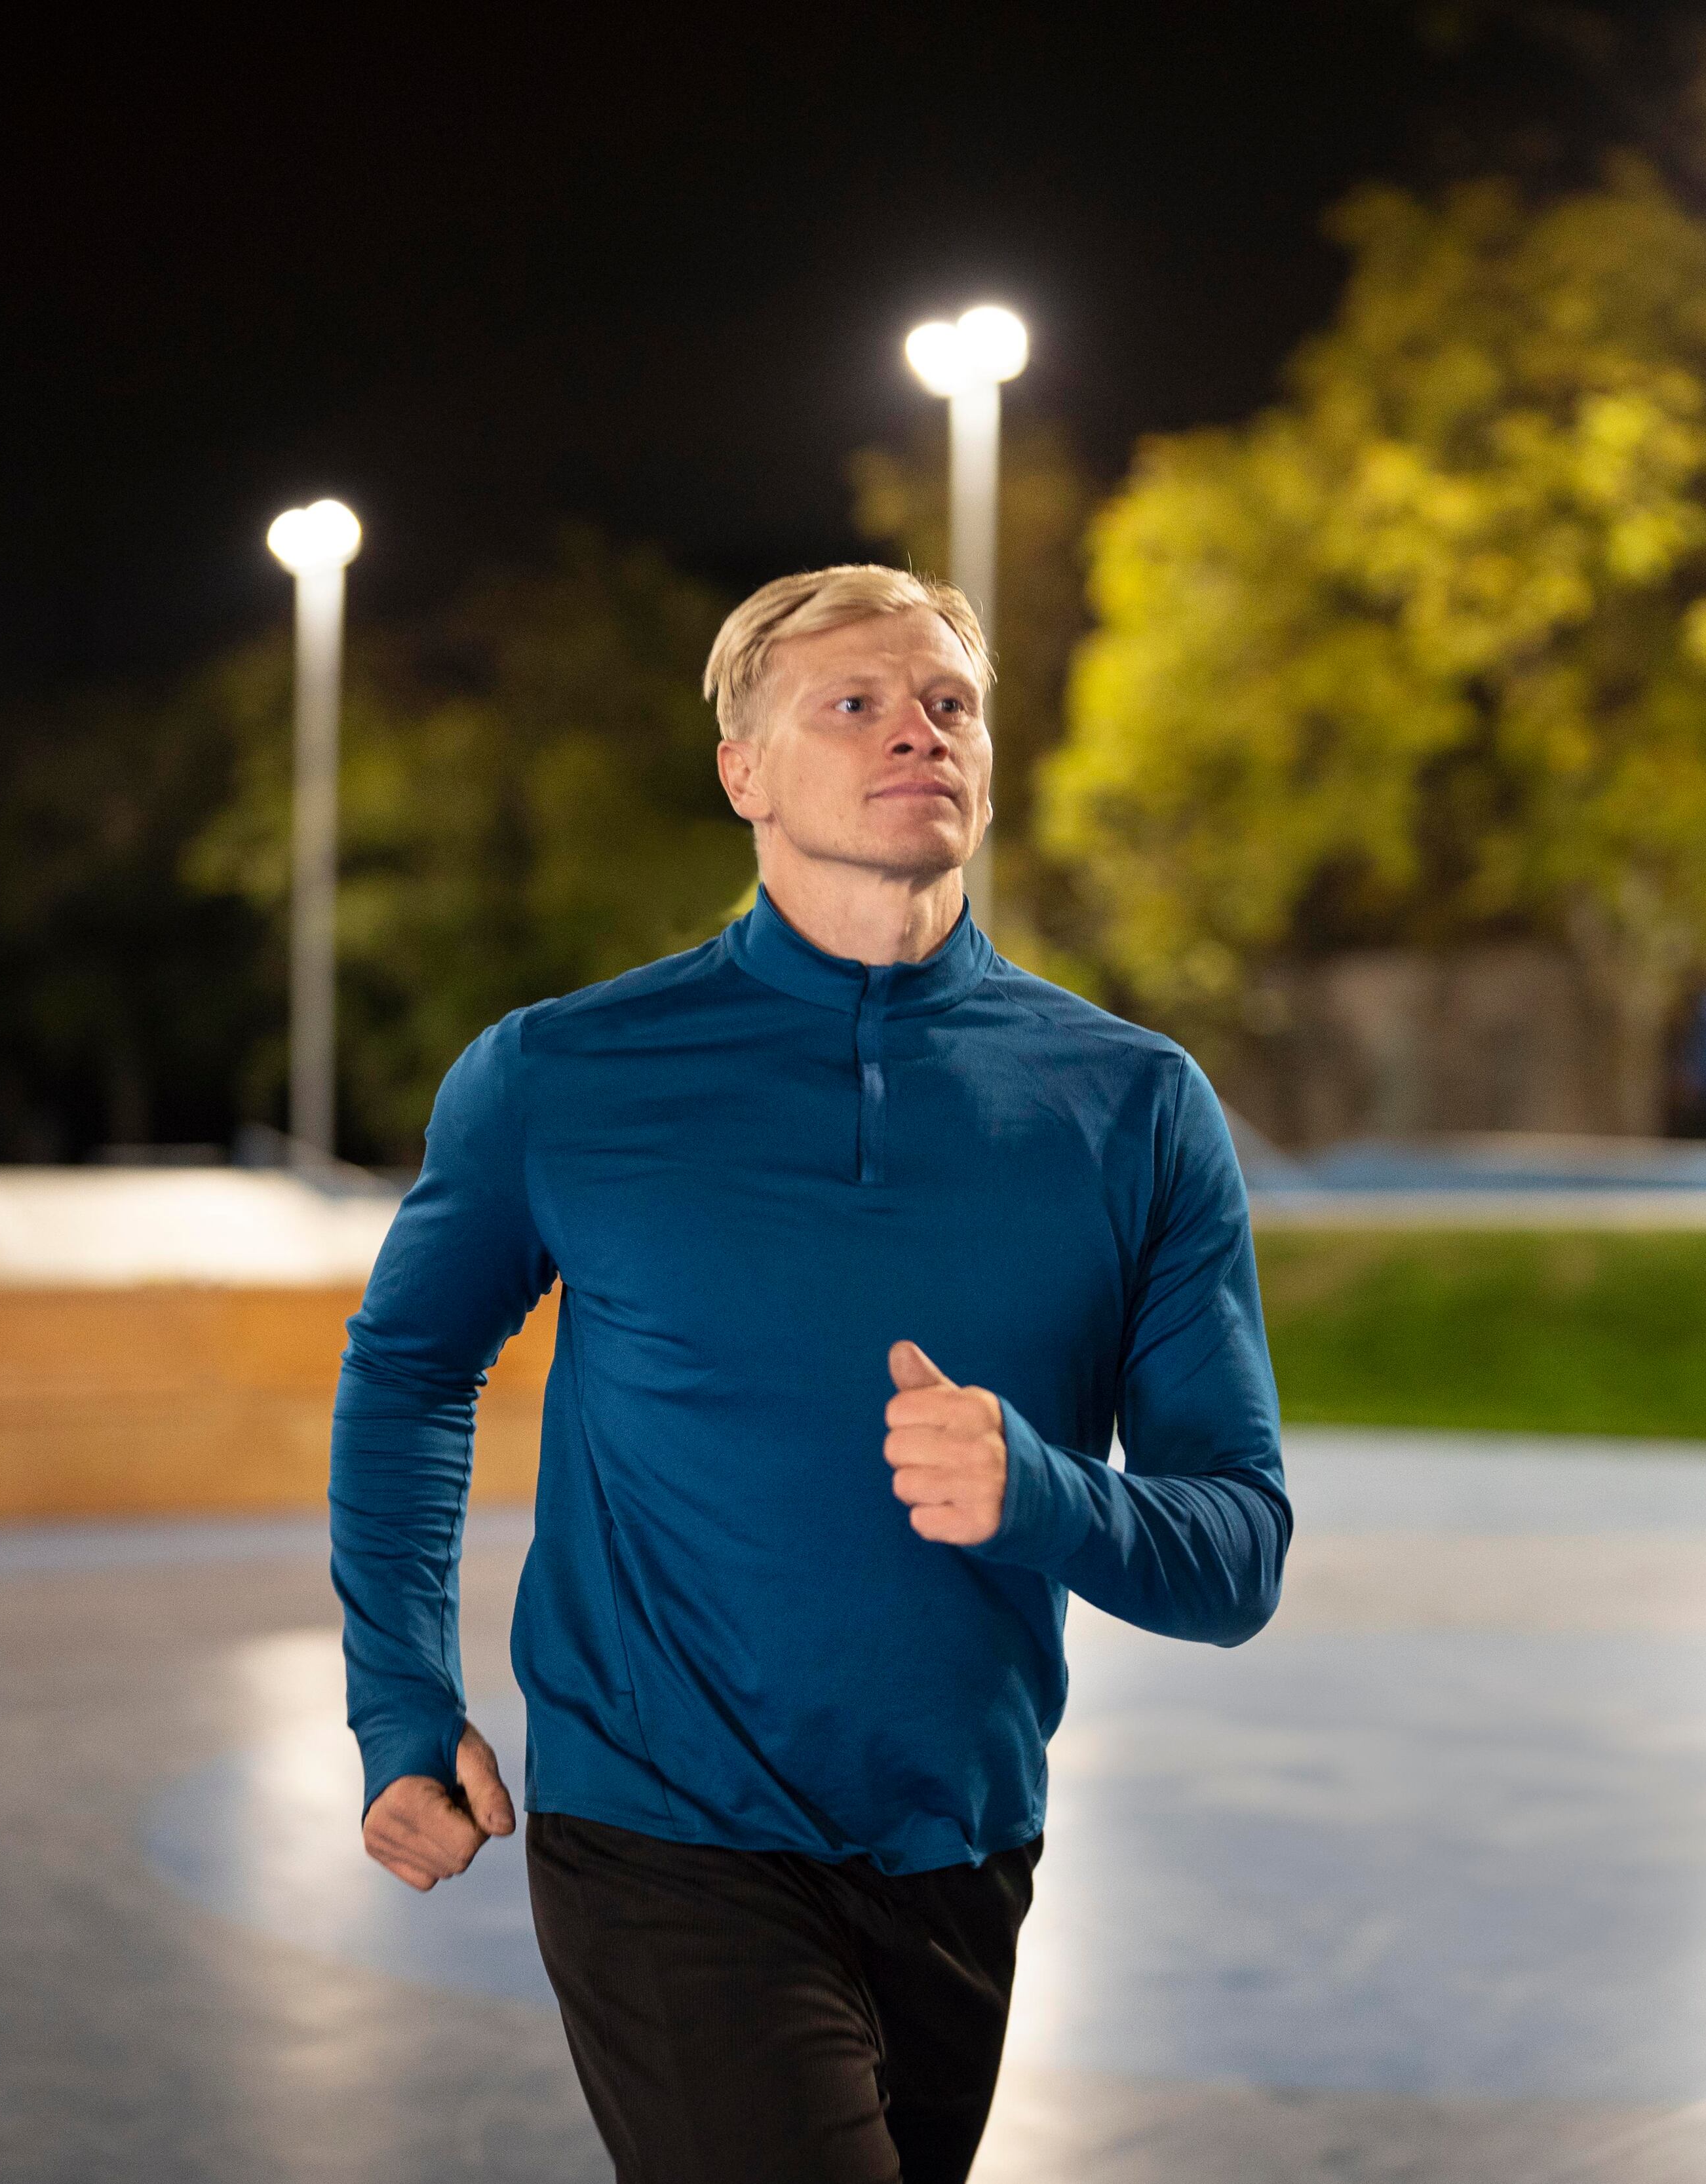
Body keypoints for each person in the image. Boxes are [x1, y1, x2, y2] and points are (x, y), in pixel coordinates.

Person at [329, 565, 1294, 2184]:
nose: (916, 730)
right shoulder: (562, 1075)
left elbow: (1238, 1555)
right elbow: (409, 1369)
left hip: (965, 1840)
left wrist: (1041, 1492)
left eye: (949, 703)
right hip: (661, 1829)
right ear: (744, 771)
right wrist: (401, 1702)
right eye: (852, 702)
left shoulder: (1133, 1104)